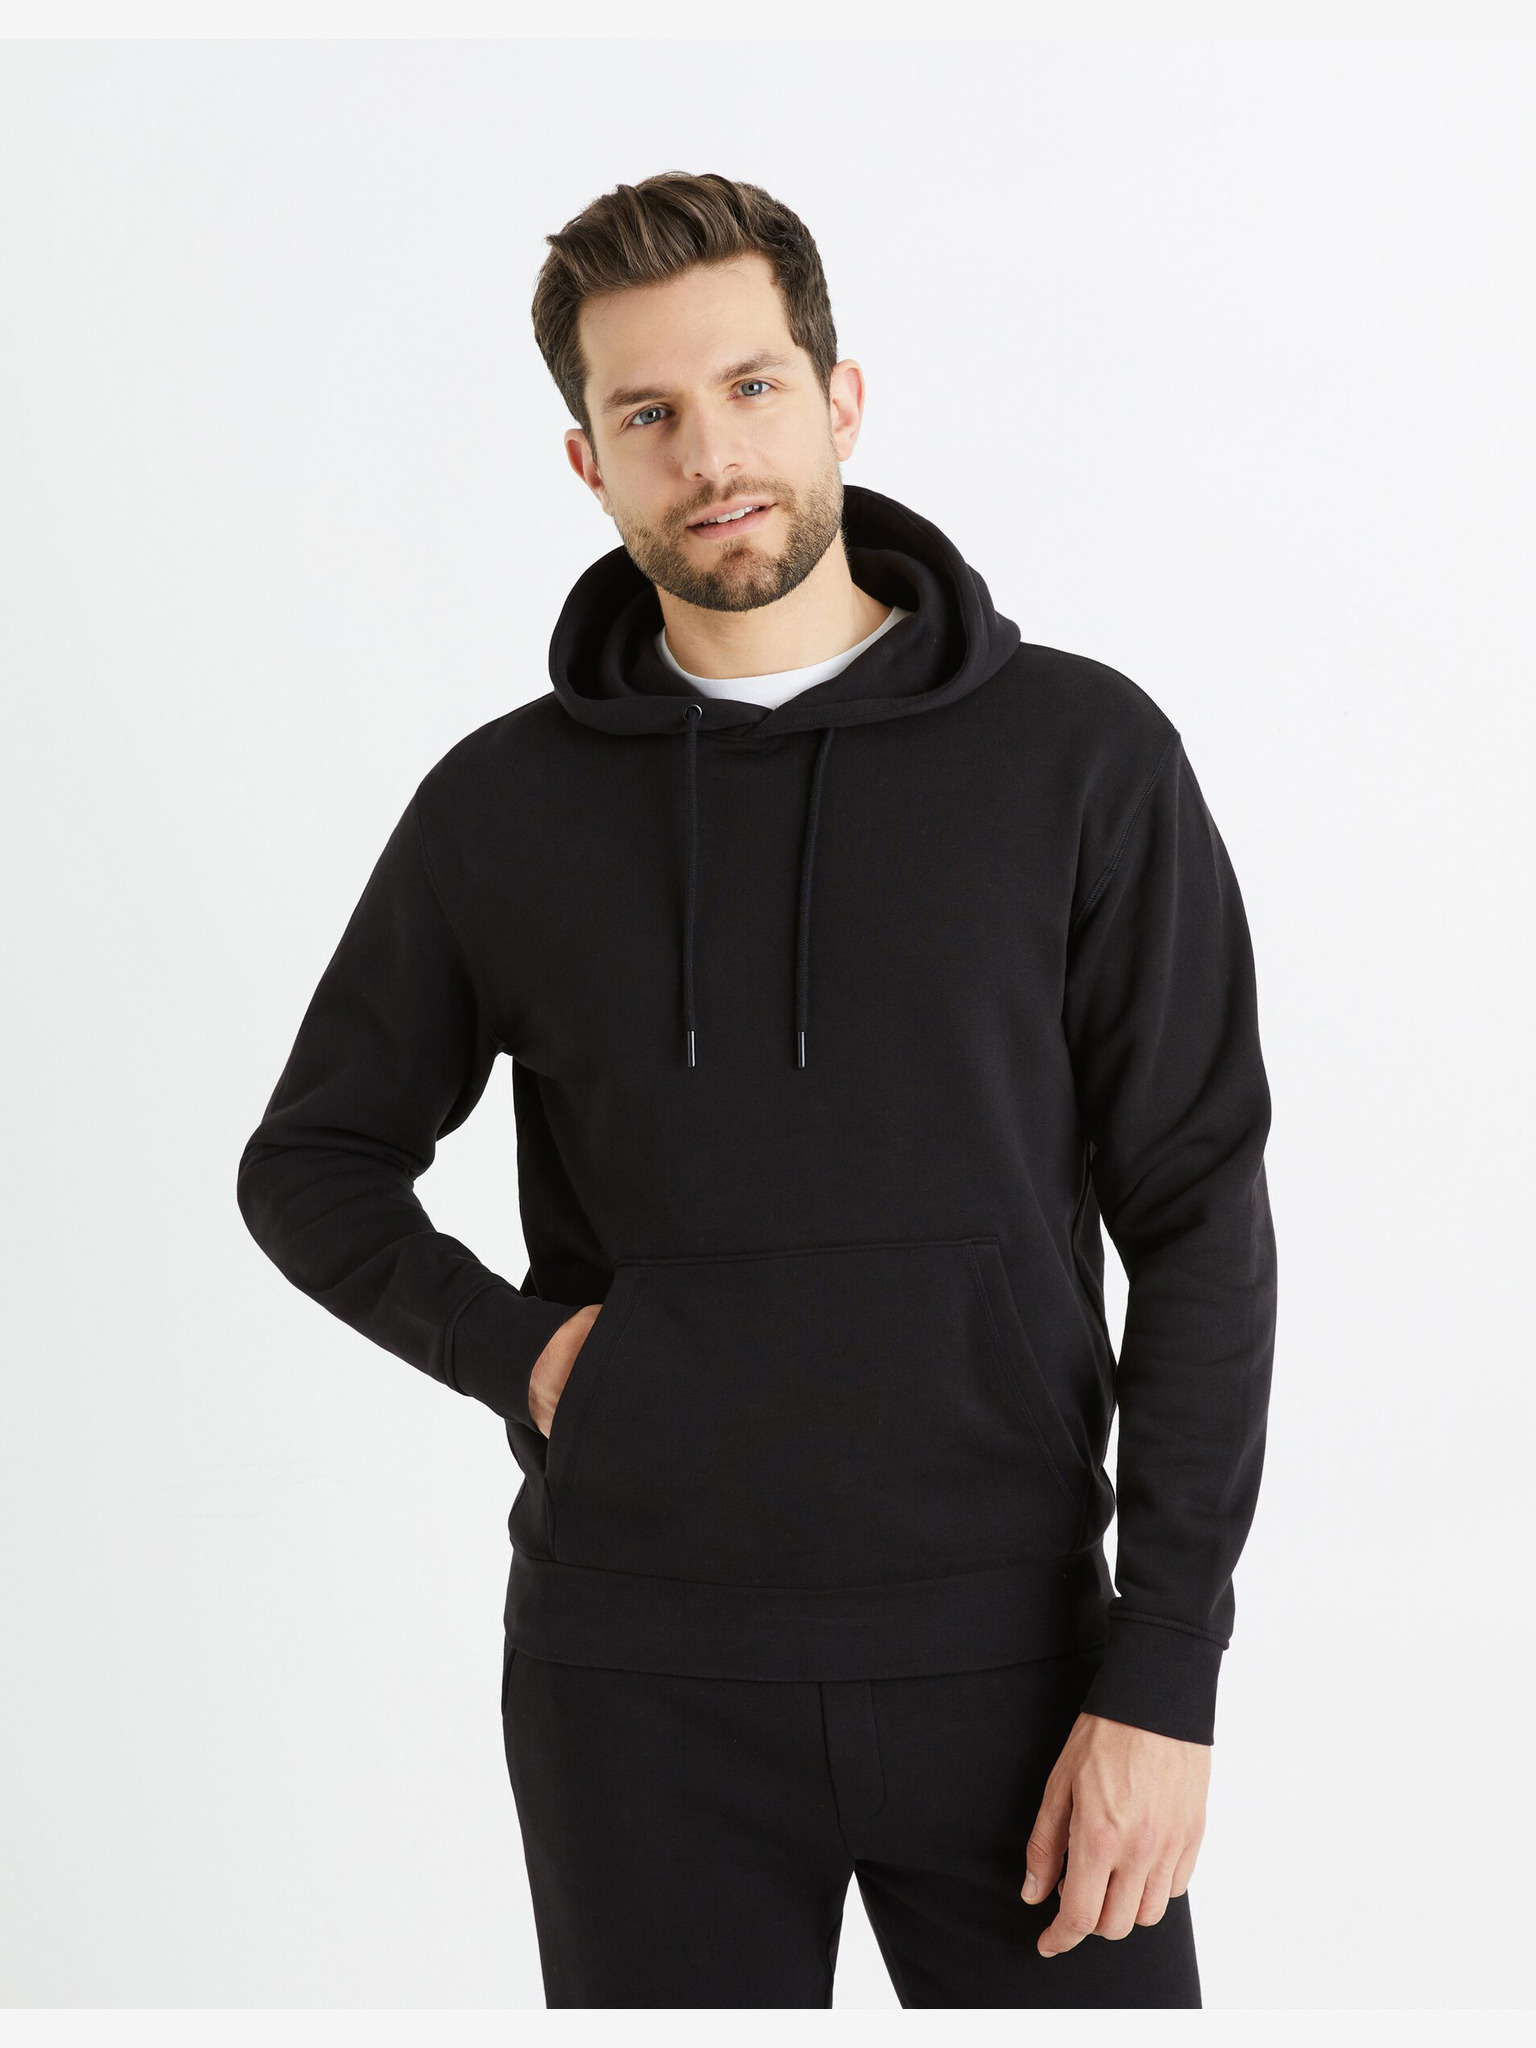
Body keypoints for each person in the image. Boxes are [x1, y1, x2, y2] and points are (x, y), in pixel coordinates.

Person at [236, 170, 1278, 2010]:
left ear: (840, 397)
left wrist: (1168, 1672)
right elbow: (313, 1160)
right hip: (635, 1687)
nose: (710, 454)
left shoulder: (1081, 757)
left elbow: (1200, 1217)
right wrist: (525, 1355)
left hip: (1024, 1671)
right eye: (647, 413)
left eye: (750, 387)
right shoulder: (501, 808)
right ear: (589, 464)